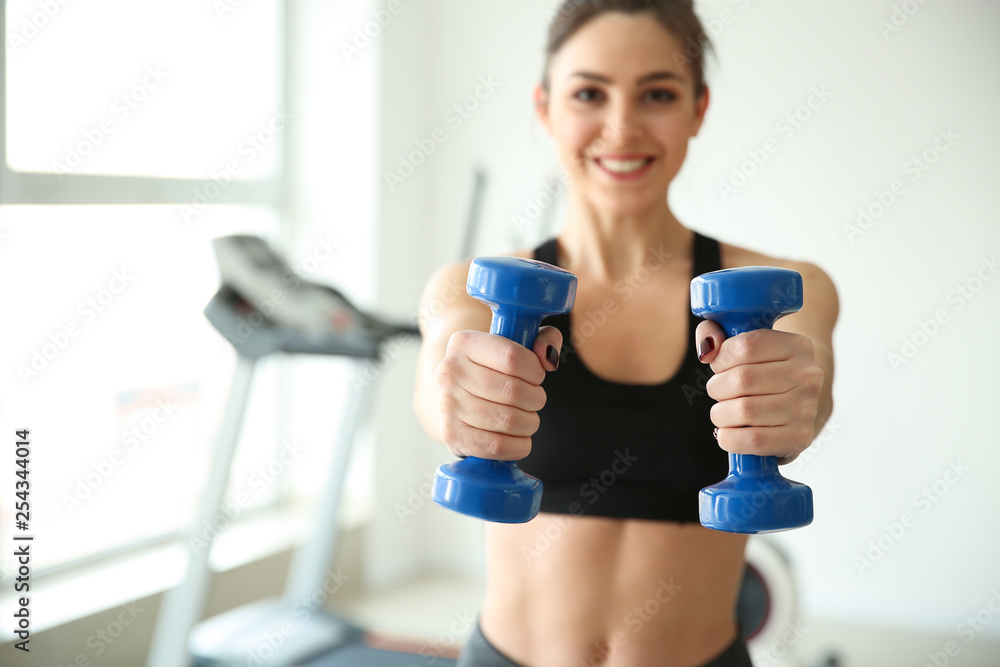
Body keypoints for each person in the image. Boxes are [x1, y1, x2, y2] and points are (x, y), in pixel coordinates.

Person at [414, 1, 838, 665]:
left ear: (698, 109)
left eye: (658, 94)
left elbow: (808, 384)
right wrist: (460, 398)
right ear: (545, 107)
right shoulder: (469, 289)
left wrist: (791, 401)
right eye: (589, 92)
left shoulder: (786, 288)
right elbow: (445, 371)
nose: (621, 127)